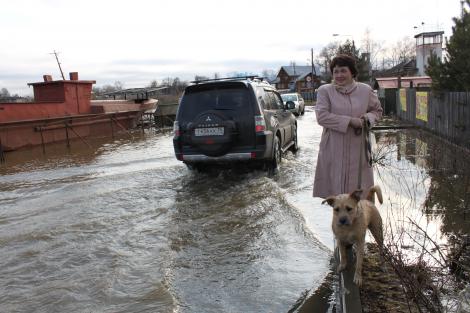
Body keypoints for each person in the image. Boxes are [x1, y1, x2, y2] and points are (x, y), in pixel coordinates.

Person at [313, 54, 383, 199]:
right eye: (336, 71)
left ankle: (363, 220)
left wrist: (367, 119)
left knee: (361, 196)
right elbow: (322, 117)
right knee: (338, 200)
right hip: (333, 147)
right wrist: (351, 121)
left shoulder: (365, 90)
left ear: (352, 72)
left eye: (343, 70)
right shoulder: (325, 91)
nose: (339, 75)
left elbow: (377, 111)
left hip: (359, 149)